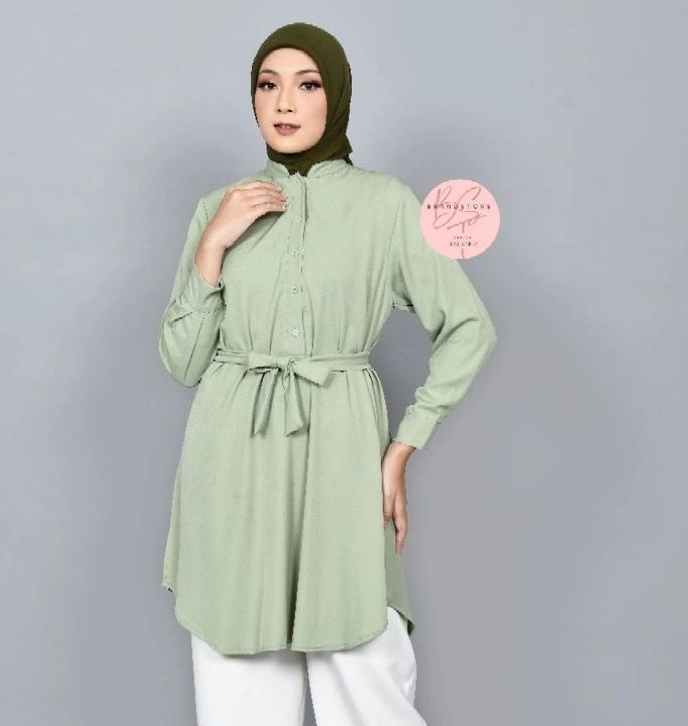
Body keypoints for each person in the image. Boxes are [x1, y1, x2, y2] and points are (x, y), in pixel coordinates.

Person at [157, 21, 497, 726]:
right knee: (237, 682)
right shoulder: (217, 207)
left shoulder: (386, 203)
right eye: (268, 84)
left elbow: (469, 327)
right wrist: (213, 245)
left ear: (335, 96)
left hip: (341, 451)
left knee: (362, 671)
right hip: (232, 460)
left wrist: (402, 448)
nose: (284, 102)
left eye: (307, 85)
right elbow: (183, 361)